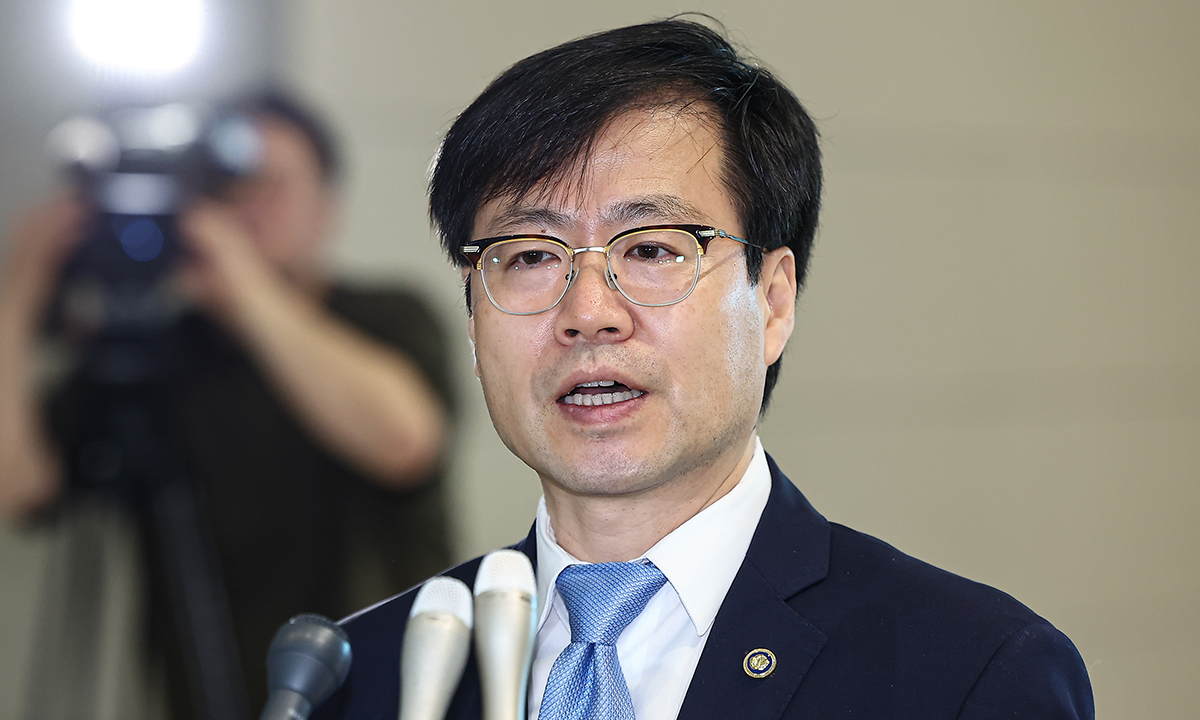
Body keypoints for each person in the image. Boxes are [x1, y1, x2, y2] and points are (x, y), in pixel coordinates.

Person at [316, 19, 1094, 720]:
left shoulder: (965, 675)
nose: (588, 311)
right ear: (472, 313)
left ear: (774, 301)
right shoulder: (364, 679)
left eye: (652, 249)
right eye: (529, 257)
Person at [0, 91, 455, 719]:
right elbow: (19, 486)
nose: (244, 204)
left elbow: (404, 442)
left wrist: (243, 287)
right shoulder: (164, 348)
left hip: (387, 696)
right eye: (224, 185)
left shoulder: (385, 316)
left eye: (270, 184)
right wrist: (19, 295)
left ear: (326, 208)